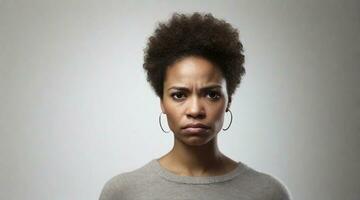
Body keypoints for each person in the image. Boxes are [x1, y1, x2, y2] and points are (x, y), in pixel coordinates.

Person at [99, 12, 291, 200]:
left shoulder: (268, 193)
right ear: (162, 102)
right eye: (179, 95)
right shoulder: (123, 193)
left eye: (211, 94)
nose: (195, 110)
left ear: (228, 101)